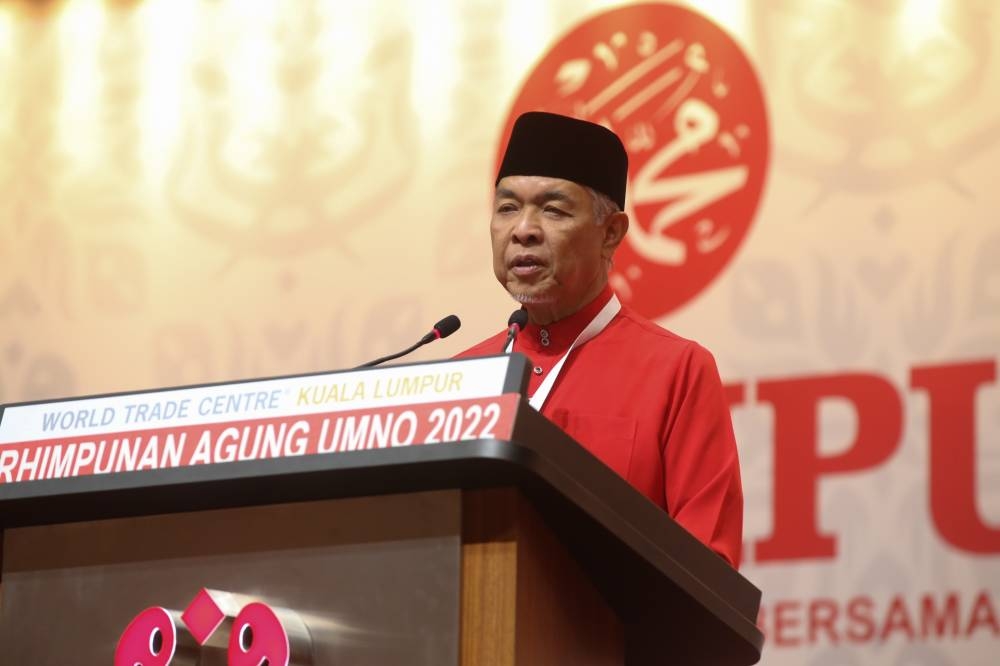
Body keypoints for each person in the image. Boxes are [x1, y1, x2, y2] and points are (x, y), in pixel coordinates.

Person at [457, 112, 744, 567]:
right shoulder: (462, 377)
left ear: (610, 234)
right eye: (507, 207)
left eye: (552, 210)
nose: (523, 229)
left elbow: (707, 570)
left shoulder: (677, 371)